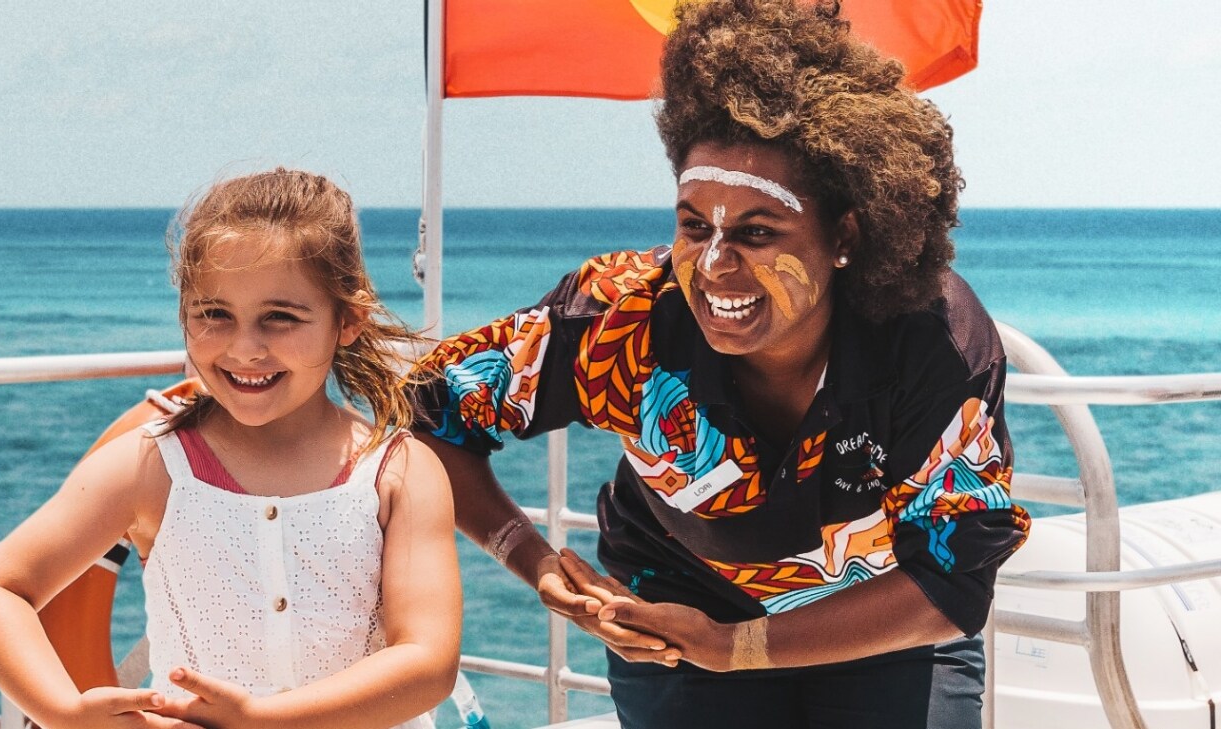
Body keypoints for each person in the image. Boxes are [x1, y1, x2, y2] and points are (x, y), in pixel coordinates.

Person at [409, 1, 1030, 727]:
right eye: (693, 225)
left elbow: (952, 580)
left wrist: (738, 647)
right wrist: (532, 558)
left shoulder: (932, 342)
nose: (713, 265)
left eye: (758, 232)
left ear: (845, 236)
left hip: (883, 619)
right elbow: (430, 412)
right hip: (677, 605)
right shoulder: (625, 318)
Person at [0, 168, 461, 729]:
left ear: (347, 321)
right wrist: (64, 713)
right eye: (214, 314)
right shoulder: (152, 466)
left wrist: (264, 719)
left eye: (281, 317)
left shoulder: (399, 471)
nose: (246, 349)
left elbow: (427, 662)